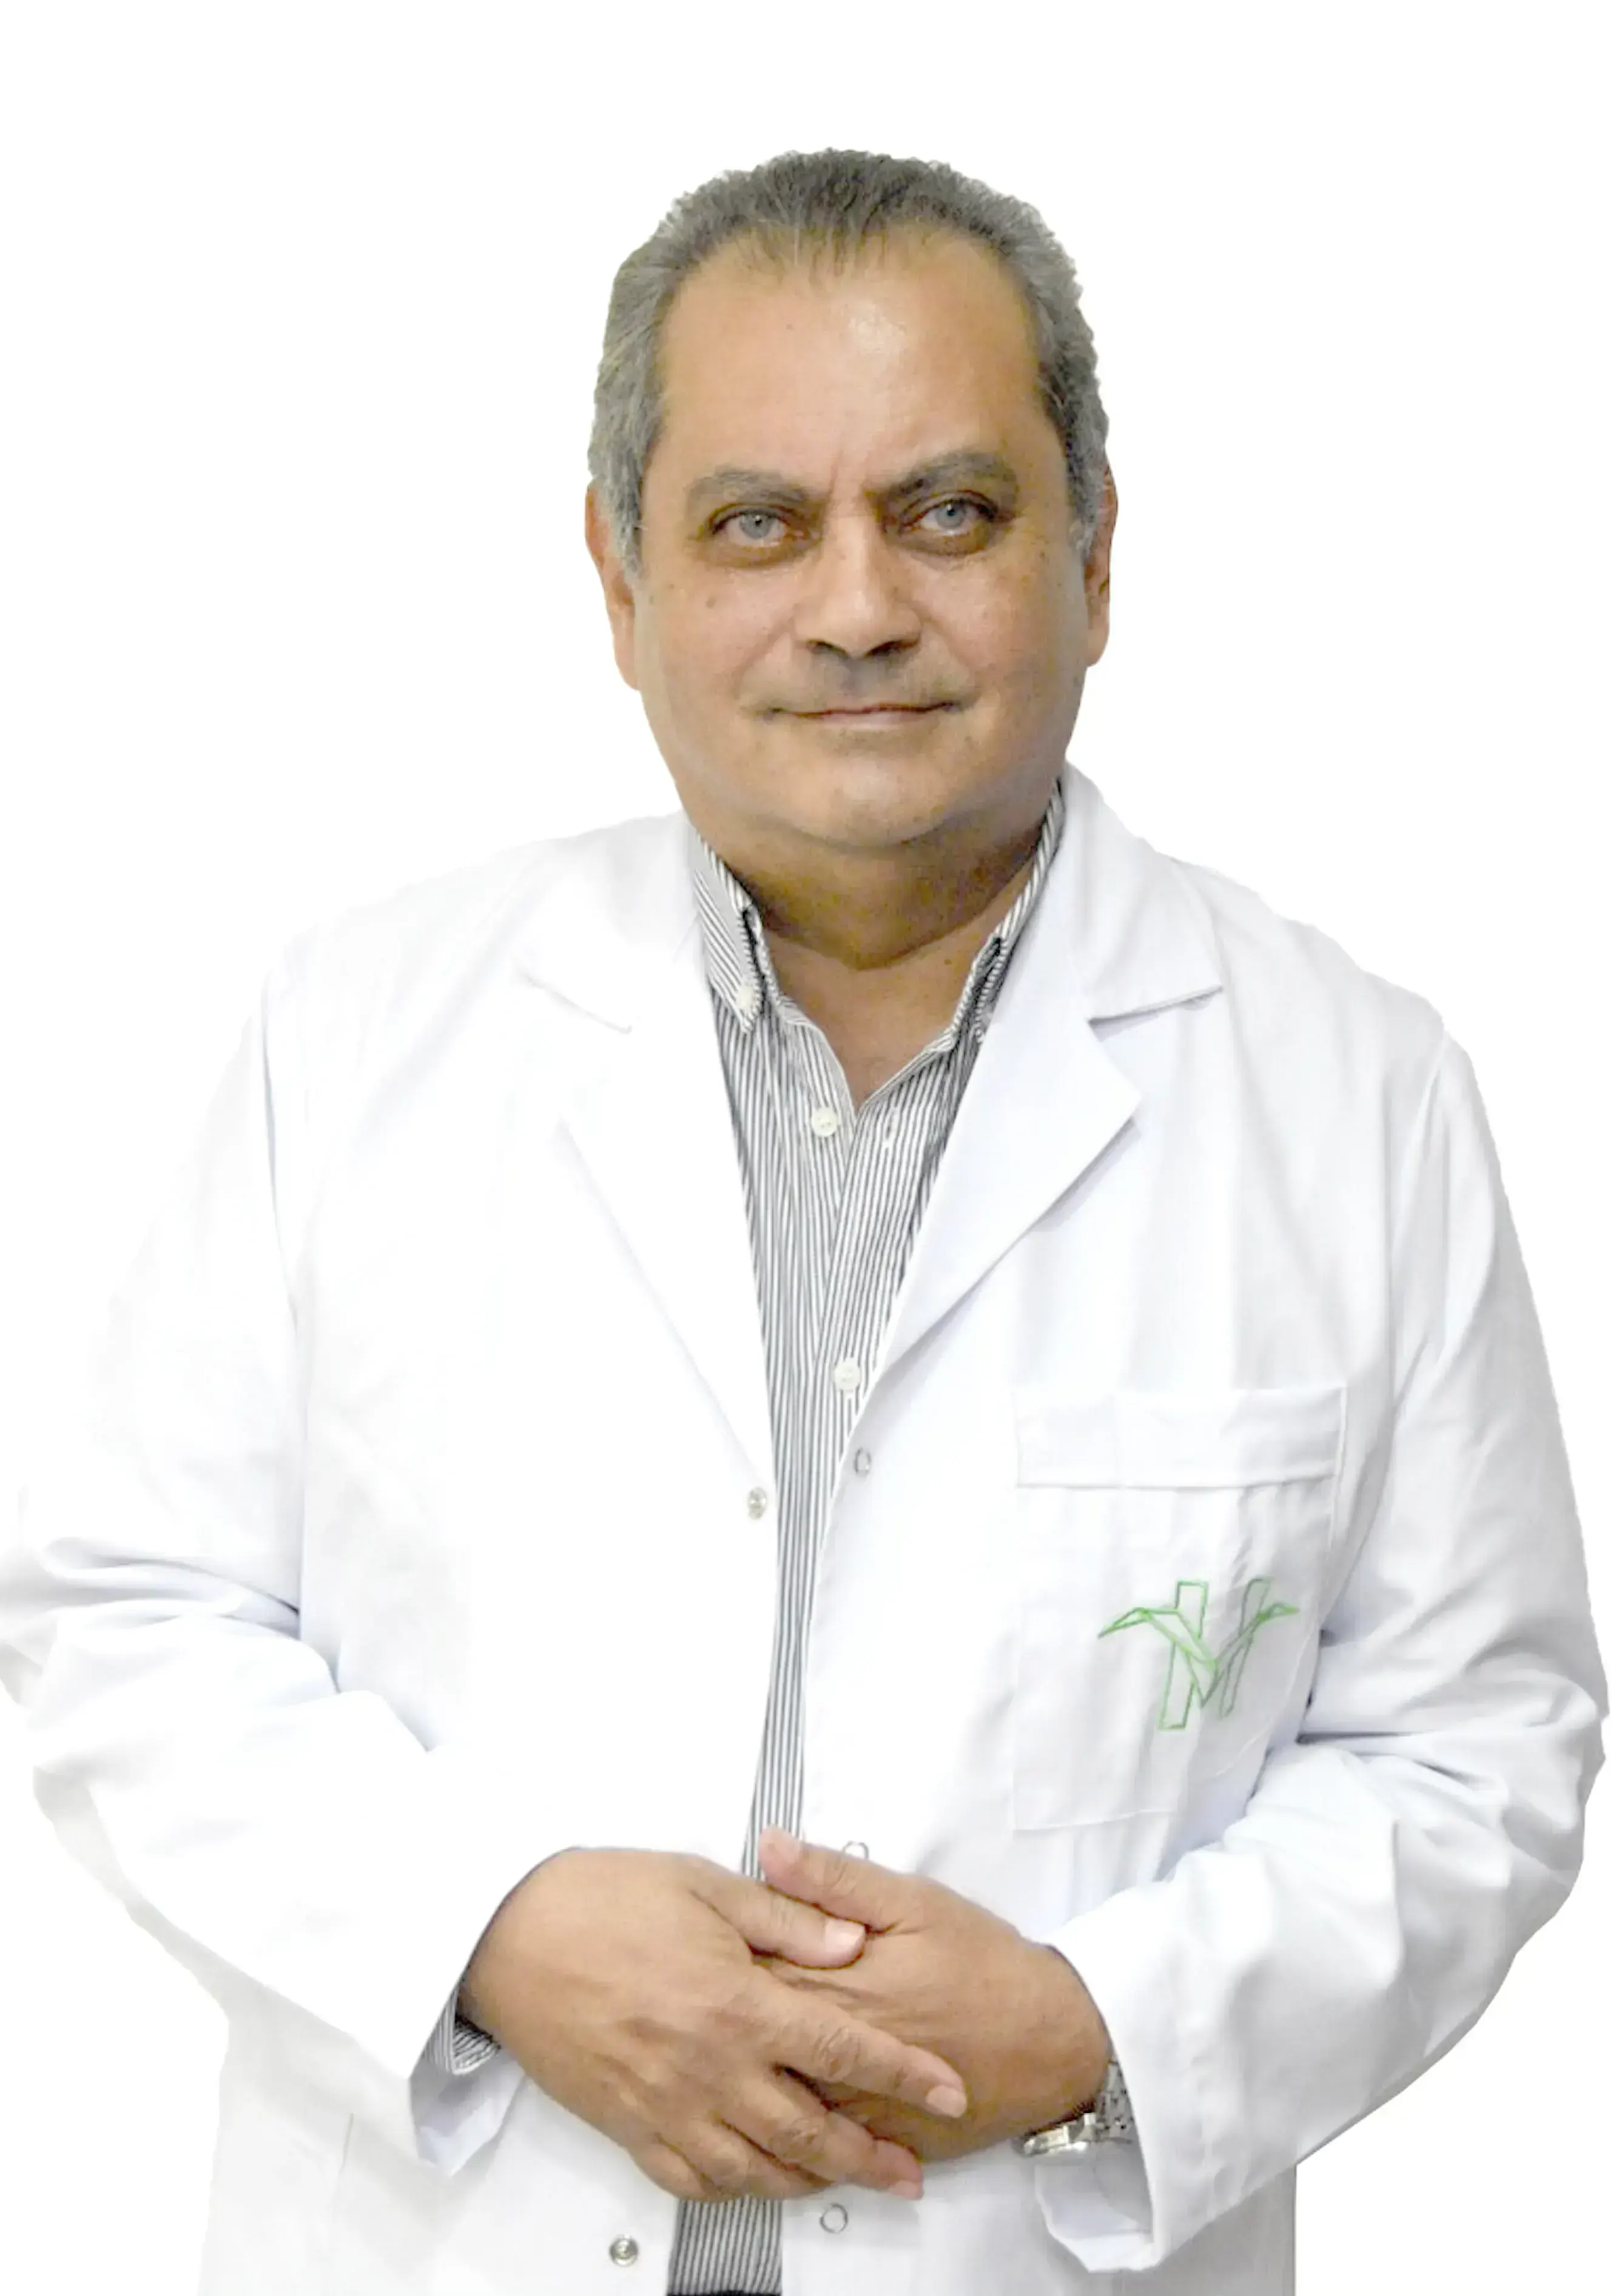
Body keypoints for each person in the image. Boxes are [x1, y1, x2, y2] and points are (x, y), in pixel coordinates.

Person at [0, 147, 1603, 2296]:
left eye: (949, 513)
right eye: (757, 524)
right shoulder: (360, 1037)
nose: (856, 608)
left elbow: (1477, 1744)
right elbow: (123, 1620)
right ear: (619, 580)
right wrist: (487, 1935)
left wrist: (1102, 2031)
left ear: (1097, 553)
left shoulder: (1353, 1094)